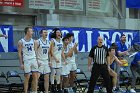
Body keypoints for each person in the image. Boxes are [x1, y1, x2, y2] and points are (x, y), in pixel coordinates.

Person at [18, 27, 38, 93]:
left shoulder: (34, 41)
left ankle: (34, 91)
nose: (32, 32)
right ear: (27, 32)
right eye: (31, 31)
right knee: (27, 77)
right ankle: (25, 91)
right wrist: (21, 63)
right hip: (26, 60)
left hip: (33, 59)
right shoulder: (21, 41)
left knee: (35, 76)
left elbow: (36, 51)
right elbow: (19, 53)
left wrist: (37, 61)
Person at [50, 28, 63, 92]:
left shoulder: (61, 40)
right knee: (53, 73)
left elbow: (62, 51)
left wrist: (64, 59)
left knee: (58, 73)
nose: (59, 33)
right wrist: (55, 58)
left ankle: (58, 87)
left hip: (59, 59)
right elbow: (51, 51)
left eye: (59, 32)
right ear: (55, 33)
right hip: (53, 59)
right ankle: (52, 87)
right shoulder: (52, 40)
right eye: (57, 32)